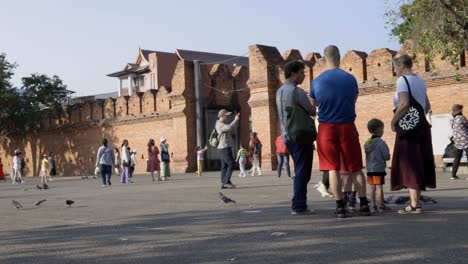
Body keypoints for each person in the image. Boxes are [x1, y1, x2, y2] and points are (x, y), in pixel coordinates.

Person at [310, 45, 369, 218]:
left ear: (324, 59)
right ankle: (364, 204)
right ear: (339, 57)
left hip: (327, 127)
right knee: (356, 167)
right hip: (347, 125)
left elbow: (314, 103)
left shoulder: (317, 81)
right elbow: (354, 98)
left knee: (332, 169)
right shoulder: (350, 78)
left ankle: (340, 206)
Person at [390, 53, 436, 214]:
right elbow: (427, 106)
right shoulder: (420, 81)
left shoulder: (402, 81)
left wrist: (393, 121)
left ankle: (415, 204)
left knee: (409, 163)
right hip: (422, 126)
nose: (394, 71)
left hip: (409, 129)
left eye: (395, 67)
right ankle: (416, 202)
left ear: (401, 65)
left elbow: (404, 104)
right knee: (418, 162)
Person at [276, 60, 316, 215]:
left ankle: (300, 203)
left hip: (287, 135)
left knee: (300, 168)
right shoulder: (297, 92)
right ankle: (298, 205)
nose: (304, 76)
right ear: (293, 74)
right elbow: (312, 111)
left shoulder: (279, 92)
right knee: (302, 171)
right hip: (300, 134)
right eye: (301, 72)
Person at [364, 118, 391, 213]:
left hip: (370, 169)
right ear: (379, 129)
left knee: (372, 188)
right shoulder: (381, 142)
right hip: (378, 168)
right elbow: (386, 156)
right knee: (379, 187)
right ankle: (382, 206)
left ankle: (373, 206)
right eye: (382, 129)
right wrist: (388, 157)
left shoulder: (367, 143)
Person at [216, 109, 240, 189]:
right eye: (226, 115)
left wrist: (236, 121)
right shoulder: (219, 124)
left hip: (225, 147)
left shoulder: (222, 124)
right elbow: (229, 127)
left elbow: (231, 127)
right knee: (231, 163)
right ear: (221, 116)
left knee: (225, 166)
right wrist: (235, 120)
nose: (227, 116)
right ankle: (226, 181)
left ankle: (224, 183)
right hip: (224, 147)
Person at [450, 104, 468, 180]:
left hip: (457, 141)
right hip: (465, 140)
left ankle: (453, 175)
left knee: (457, 157)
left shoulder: (453, 120)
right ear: (460, 111)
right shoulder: (461, 118)